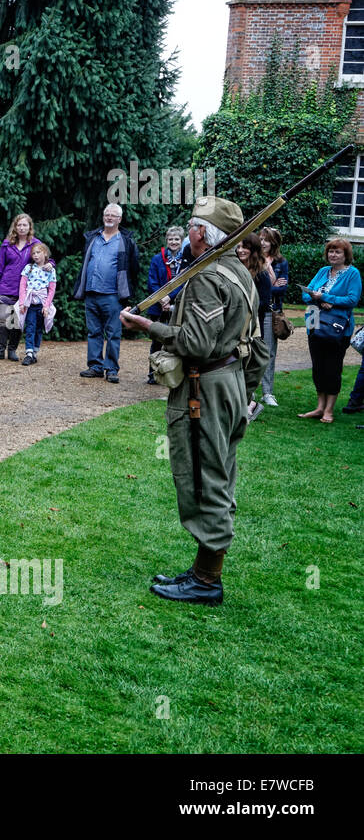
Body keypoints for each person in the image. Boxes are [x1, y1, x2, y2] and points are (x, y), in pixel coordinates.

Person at [120, 197, 268, 605]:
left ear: (204, 233)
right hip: (230, 383)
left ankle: (206, 581)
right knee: (216, 473)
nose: (188, 232)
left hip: (206, 388)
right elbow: (257, 348)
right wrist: (245, 394)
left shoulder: (208, 277)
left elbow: (197, 344)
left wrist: (149, 325)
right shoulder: (240, 272)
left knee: (206, 478)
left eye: (192, 225)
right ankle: (204, 568)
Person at [74, 203, 139, 383]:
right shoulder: (93, 238)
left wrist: (127, 293)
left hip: (113, 295)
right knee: (93, 332)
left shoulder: (125, 240)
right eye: (106, 214)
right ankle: (95, 366)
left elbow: (134, 268)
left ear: (119, 219)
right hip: (91, 293)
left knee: (113, 333)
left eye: (113, 215)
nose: (109, 218)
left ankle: (111, 369)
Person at [297, 238, 361, 424]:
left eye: (337, 252)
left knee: (332, 368)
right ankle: (319, 407)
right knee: (318, 367)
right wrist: (318, 300)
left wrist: (326, 297)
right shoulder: (323, 271)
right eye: (331, 251)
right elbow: (305, 294)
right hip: (315, 322)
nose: (333, 255)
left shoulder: (353, 274)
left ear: (346, 255)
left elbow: (352, 300)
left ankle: (329, 410)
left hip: (338, 328)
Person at [0, 213, 45, 362]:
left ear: (29, 227)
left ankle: (12, 350)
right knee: (2, 319)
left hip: (24, 289)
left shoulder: (35, 244)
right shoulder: (7, 244)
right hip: (6, 286)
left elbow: (45, 257)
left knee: (16, 321)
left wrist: (51, 264)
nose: (21, 227)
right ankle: (0, 349)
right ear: (15, 227)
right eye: (19, 225)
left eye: (25, 225)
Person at [234, 234, 271, 420]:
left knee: (248, 368)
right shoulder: (234, 270)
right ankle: (246, 404)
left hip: (253, 329)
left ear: (254, 250)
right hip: (235, 327)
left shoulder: (262, 274)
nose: (240, 250)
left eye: (245, 247)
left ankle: (250, 405)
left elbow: (264, 302)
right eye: (238, 246)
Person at [145, 226, 186, 384]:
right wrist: (162, 298)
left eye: (177, 239)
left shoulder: (186, 260)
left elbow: (184, 282)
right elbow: (152, 282)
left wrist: (170, 297)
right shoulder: (157, 259)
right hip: (158, 305)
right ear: (166, 240)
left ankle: (173, 374)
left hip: (178, 305)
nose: (173, 242)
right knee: (157, 341)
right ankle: (152, 373)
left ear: (181, 241)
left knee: (176, 341)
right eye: (171, 239)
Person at [258, 227, 289, 406]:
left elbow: (282, 289)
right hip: (254, 309)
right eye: (261, 239)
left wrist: (272, 287)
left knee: (269, 352)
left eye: (267, 240)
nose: (263, 243)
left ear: (274, 243)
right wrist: (272, 285)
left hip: (271, 311)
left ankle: (267, 392)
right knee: (250, 349)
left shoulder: (280, 262)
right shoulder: (253, 258)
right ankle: (248, 389)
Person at [16, 241, 57, 365]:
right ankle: (28, 353)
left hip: (42, 304)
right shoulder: (28, 268)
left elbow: (51, 289)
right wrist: (22, 302)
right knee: (30, 327)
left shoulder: (50, 270)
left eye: (38, 252)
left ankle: (34, 352)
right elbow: (22, 285)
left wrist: (47, 306)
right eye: (33, 253)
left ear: (45, 254)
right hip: (30, 303)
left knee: (39, 328)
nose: (35, 255)